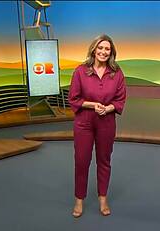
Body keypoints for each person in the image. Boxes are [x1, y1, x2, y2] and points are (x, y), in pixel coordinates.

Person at [68, 34, 126, 218]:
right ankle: (79, 199)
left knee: (104, 160)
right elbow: (74, 99)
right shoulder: (80, 71)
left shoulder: (117, 73)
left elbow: (120, 99)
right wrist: (93, 105)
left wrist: (108, 108)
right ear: (94, 49)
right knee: (82, 161)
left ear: (111, 52)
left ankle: (103, 198)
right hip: (84, 122)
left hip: (106, 122)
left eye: (107, 49)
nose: (103, 52)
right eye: (100, 48)